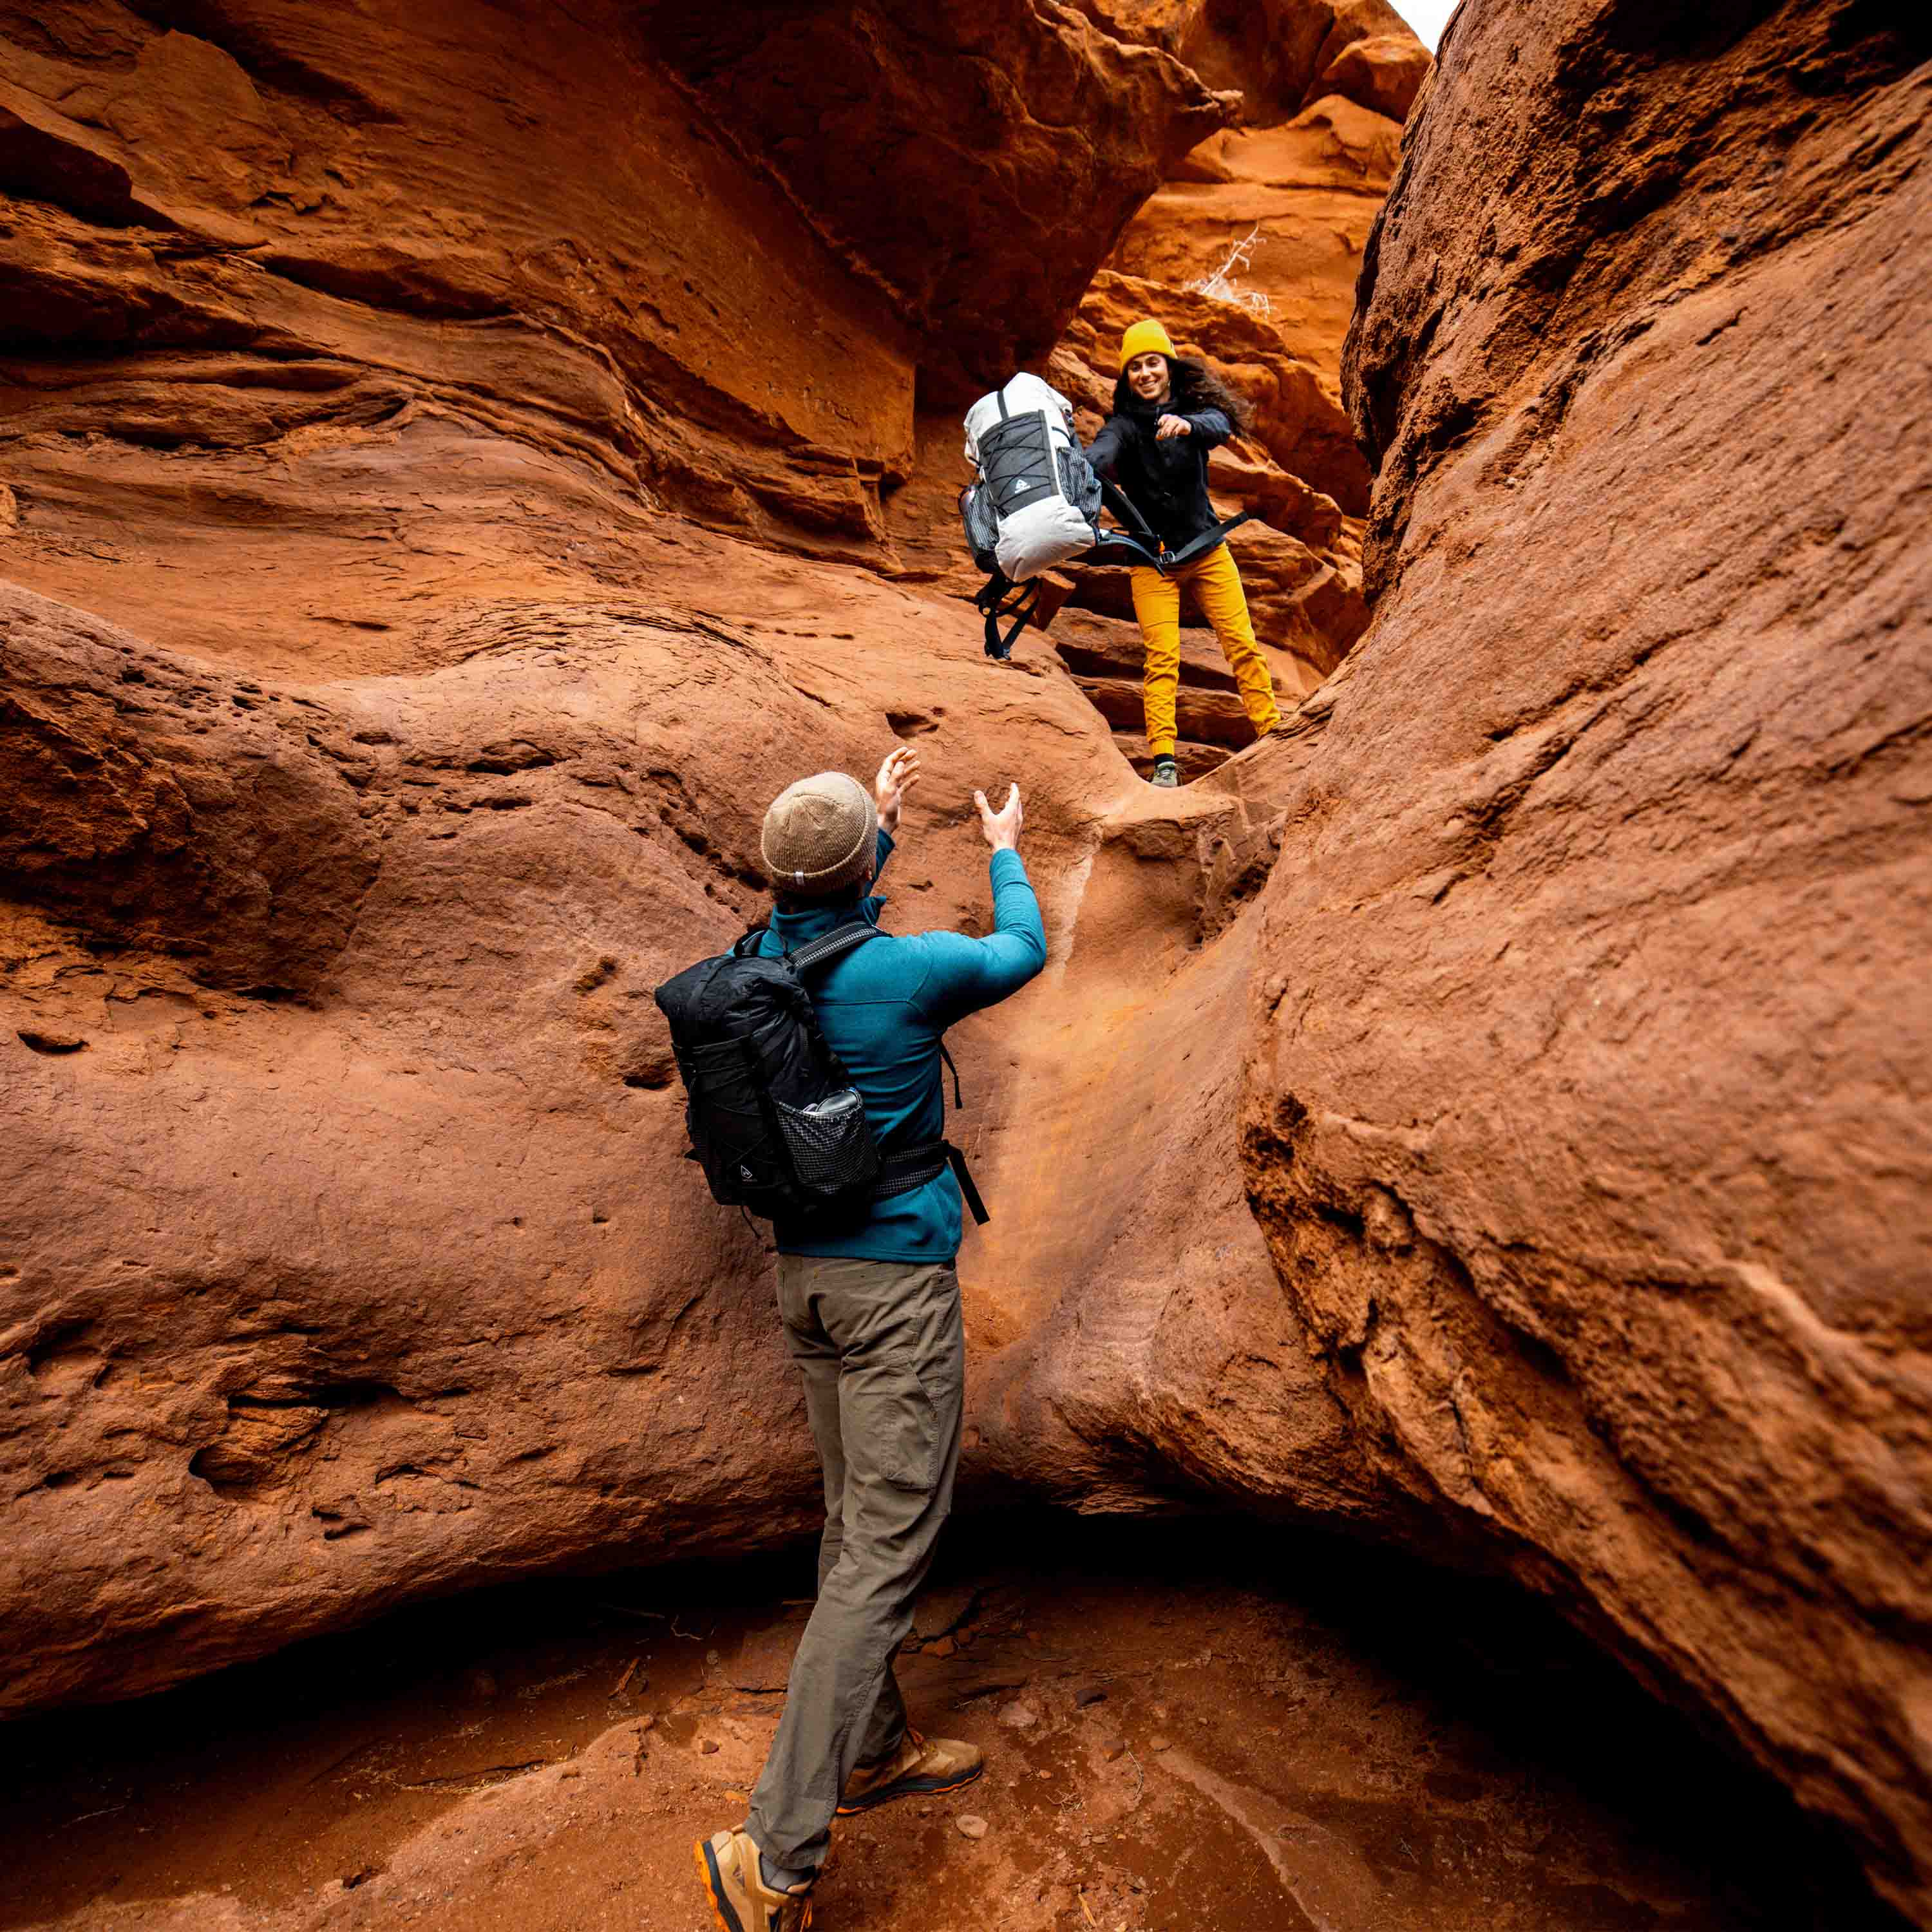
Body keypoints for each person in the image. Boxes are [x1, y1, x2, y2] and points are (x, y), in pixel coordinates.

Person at [696, 744, 1046, 1932]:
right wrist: (1004, 856)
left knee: (854, 1527)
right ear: (863, 877)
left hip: (805, 1283)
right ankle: (774, 1852)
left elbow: (814, 906)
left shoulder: (756, 965)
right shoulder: (906, 971)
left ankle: (874, 1751)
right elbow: (1022, 953)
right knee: (887, 1553)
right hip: (894, 1289)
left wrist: (873, 826)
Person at [1085, 317, 1282, 787]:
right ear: (1126, 377)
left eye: (1153, 362)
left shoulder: (1195, 413)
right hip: (1153, 562)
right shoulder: (1124, 426)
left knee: (1243, 645)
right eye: (1135, 367)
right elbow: (1102, 451)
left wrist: (1188, 425)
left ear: (1169, 367)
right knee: (1162, 660)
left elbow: (1220, 424)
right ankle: (1165, 763)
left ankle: (1273, 728)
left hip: (1208, 550)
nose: (1145, 373)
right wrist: (1081, 464)